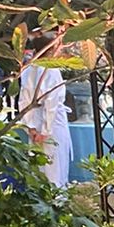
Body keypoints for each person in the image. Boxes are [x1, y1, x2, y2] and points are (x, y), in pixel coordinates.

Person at [17, 29, 72, 188]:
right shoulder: (51, 70)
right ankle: (57, 197)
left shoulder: (28, 68)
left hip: (35, 119)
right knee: (56, 165)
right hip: (52, 123)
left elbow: (24, 100)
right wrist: (45, 130)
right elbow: (52, 103)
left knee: (39, 166)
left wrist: (31, 127)